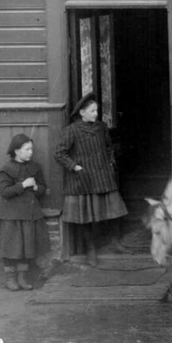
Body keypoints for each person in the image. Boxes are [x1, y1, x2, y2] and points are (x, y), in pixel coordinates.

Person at [55, 94, 126, 266]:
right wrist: (75, 167)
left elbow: (109, 147)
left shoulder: (101, 127)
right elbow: (59, 153)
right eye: (92, 111)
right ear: (82, 112)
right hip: (84, 180)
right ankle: (90, 251)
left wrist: (110, 162)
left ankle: (115, 243)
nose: (96, 114)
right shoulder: (72, 130)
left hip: (103, 178)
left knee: (115, 212)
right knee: (86, 217)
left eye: (96, 111)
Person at [0, 134, 50, 291]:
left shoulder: (35, 167)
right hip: (11, 215)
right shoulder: (5, 169)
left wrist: (37, 188)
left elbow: (42, 188)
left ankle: (22, 278)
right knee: (11, 247)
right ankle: (10, 278)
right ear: (17, 151)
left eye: (31, 149)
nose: (31, 152)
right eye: (27, 149)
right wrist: (22, 185)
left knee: (25, 247)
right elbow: (4, 192)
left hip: (29, 213)